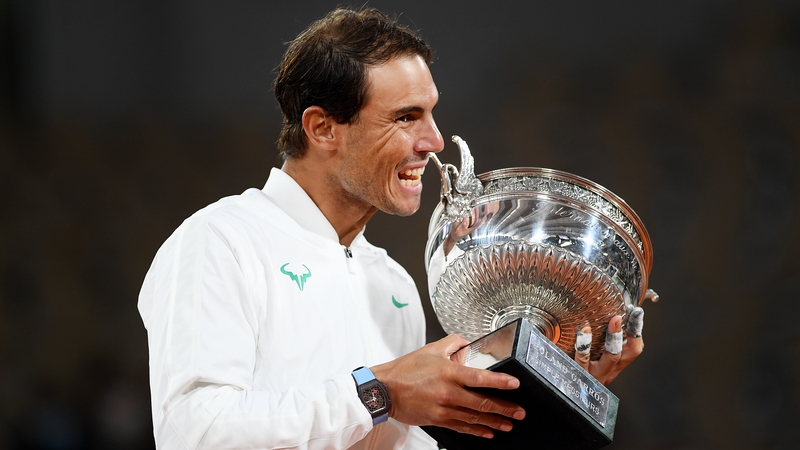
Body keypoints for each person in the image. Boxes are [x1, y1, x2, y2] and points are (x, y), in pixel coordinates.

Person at [137, 7, 644, 449]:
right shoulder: (219, 243)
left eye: (431, 113)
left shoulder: (393, 285)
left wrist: (553, 394)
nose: (435, 140)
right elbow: (193, 434)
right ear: (323, 128)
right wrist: (379, 391)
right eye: (405, 117)